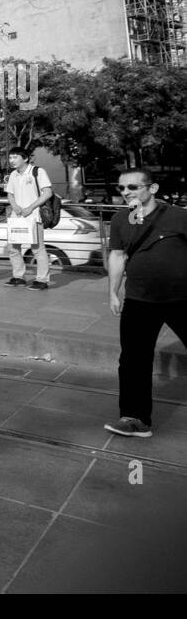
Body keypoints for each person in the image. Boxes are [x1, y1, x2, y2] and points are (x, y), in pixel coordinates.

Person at [103, 169, 187, 438]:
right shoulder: (119, 220)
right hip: (139, 299)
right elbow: (117, 256)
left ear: (153, 188)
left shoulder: (178, 216)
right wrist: (113, 292)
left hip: (182, 298)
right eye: (121, 188)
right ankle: (135, 419)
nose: (126, 192)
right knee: (133, 361)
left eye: (132, 187)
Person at [4, 146, 54, 290]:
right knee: (13, 248)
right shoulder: (13, 175)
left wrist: (30, 208)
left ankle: (42, 280)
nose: (11, 160)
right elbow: (10, 194)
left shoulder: (37, 172)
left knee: (37, 248)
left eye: (15, 157)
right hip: (17, 217)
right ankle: (19, 277)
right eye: (10, 157)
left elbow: (47, 192)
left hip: (34, 216)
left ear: (25, 158)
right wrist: (14, 206)